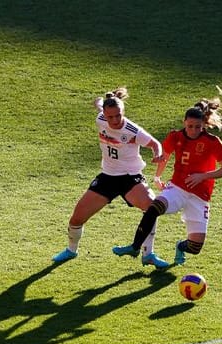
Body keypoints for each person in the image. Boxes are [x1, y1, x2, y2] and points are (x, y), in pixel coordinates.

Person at [52, 87, 169, 268]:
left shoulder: (133, 130)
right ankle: (71, 250)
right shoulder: (101, 119)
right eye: (110, 116)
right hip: (107, 177)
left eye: (118, 115)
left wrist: (158, 154)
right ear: (105, 115)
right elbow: (99, 106)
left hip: (131, 177)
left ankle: (148, 254)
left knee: (151, 206)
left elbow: (155, 143)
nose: (114, 120)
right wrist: (98, 101)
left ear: (123, 112)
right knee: (76, 218)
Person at [113, 91, 222, 265]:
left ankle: (180, 247)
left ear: (204, 125)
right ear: (184, 122)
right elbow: (165, 155)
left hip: (200, 196)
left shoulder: (212, 142)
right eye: (190, 126)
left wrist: (203, 176)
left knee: (195, 247)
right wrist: (157, 176)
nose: (193, 130)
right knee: (154, 207)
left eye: (198, 127)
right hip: (177, 188)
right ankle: (135, 247)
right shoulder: (175, 136)